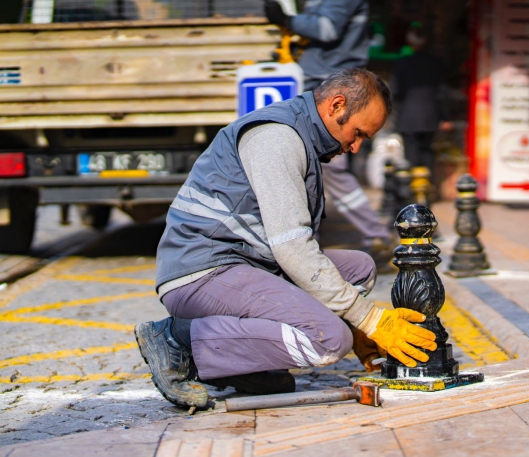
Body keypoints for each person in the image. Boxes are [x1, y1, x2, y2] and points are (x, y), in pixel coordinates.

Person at [134, 69, 437, 409]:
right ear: (337, 106)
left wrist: (359, 329)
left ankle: (243, 366)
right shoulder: (277, 139)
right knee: (328, 340)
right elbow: (293, 247)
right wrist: (367, 321)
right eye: (357, 134)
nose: (355, 147)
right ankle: (179, 340)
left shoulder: (302, 136)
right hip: (201, 273)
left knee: (359, 268)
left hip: (244, 263)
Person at [264, 0, 394, 265]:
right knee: (314, 167)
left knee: (329, 166)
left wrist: (288, 21)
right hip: (323, 81)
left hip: (330, 83)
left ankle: (374, 235)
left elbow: (326, 28)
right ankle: (313, 242)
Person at [392, 23, 452, 175]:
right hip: (430, 117)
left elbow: (395, 91)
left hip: (407, 117)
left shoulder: (402, 64)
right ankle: (427, 190)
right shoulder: (435, 63)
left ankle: (412, 191)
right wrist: (444, 117)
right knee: (427, 153)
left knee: (411, 156)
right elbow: (442, 92)